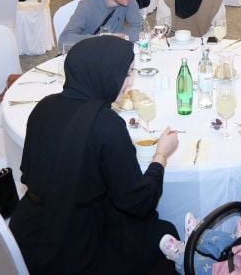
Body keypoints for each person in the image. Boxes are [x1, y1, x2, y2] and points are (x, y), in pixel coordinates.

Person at [10, 35, 179, 273]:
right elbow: (139, 202)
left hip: (27, 234)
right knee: (163, 234)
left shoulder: (44, 107)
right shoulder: (106, 124)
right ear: (104, 74)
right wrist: (161, 156)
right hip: (72, 251)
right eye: (126, 73)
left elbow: (29, 172)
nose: (130, 82)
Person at [159, 169, 241, 275]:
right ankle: (196, 238)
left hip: (227, 271)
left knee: (202, 266)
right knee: (223, 239)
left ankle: (180, 256)